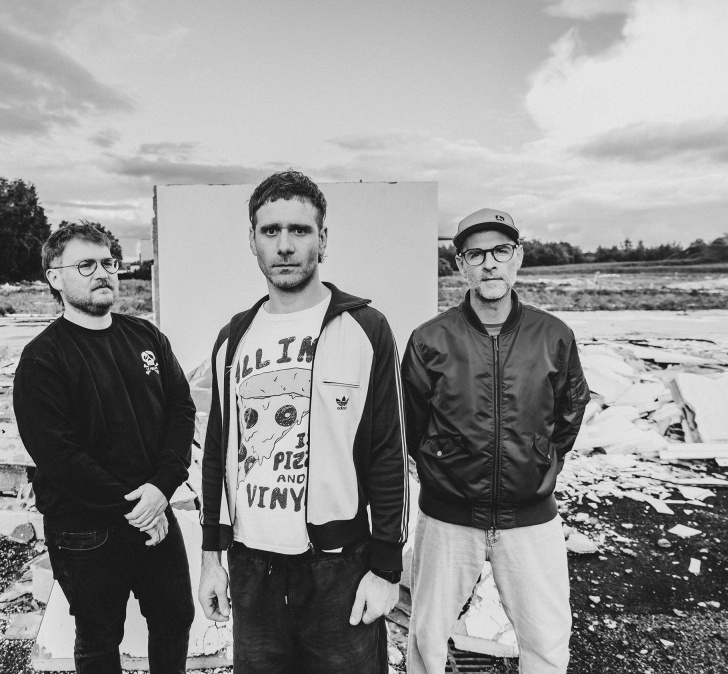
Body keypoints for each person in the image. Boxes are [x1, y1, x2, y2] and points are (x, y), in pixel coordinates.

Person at [197, 169, 409, 674]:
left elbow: (388, 452)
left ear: (323, 239)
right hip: (252, 567)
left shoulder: (365, 329)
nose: (285, 245)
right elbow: (217, 453)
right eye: (271, 231)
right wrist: (211, 558)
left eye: (300, 229)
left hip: (339, 567)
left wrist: (386, 568)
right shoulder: (233, 338)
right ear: (253, 240)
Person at [402, 208, 589, 674]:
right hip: (447, 519)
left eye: (501, 251)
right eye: (476, 254)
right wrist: (442, 465)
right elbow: (412, 422)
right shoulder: (430, 339)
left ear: (518, 257)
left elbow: (569, 413)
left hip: (530, 518)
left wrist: (541, 459)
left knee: (546, 643)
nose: (489, 263)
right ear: (460, 264)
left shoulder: (554, 336)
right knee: (426, 640)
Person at [13, 222, 196, 674]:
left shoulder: (146, 337)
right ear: (55, 278)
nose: (103, 273)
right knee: (99, 637)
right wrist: (139, 508)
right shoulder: (42, 359)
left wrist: (162, 488)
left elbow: (181, 410)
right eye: (86, 265)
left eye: (108, 263)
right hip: (87, 530)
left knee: (175, 617)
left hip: (154, 507)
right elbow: (60, 457)